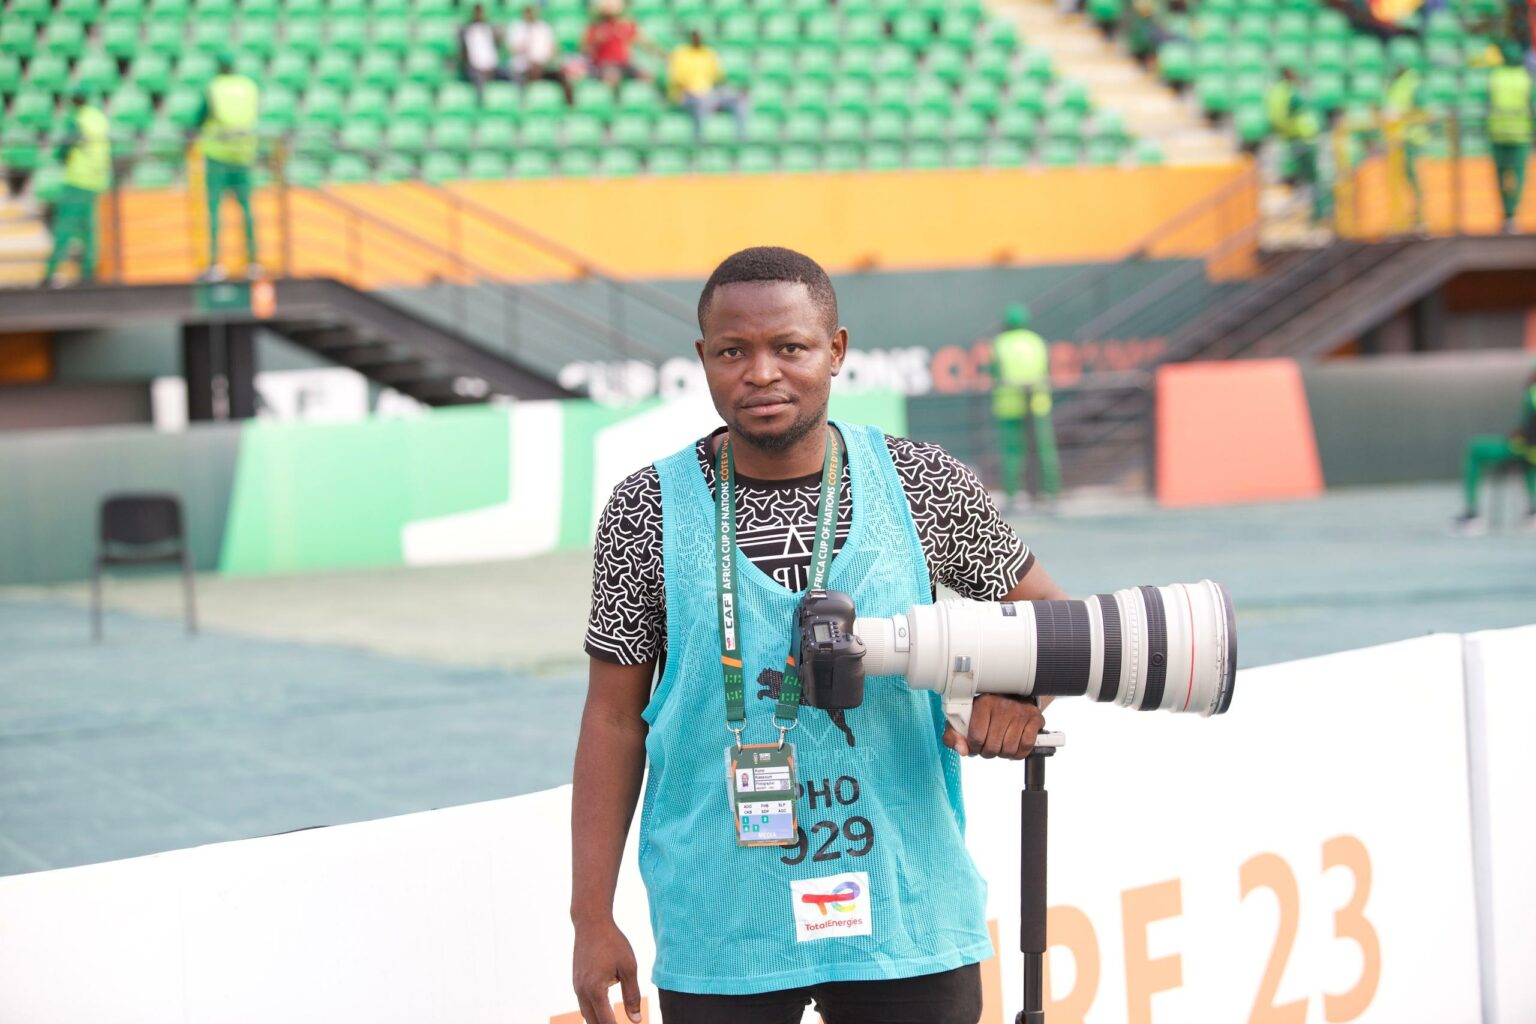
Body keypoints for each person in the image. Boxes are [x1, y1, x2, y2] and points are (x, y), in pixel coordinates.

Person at [571, 247, 1064, 1024]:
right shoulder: (645, 511)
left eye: (790, 347)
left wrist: (1014, 692)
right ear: (703, 360)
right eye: (734, 351)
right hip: (723, 920)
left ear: (835, 350)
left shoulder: (921, 482)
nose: (761, 372)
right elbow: (609, 719)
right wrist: (590, 919)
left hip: (904, 911)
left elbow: (1053, 626)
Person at [192, 56, 261, 282]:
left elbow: (198, 119)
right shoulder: (249, 87)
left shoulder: (214, 88)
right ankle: (253, 263)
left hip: (217, 155)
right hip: (243, 153)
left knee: (214, 211)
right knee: (247, 211)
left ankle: (215, 265)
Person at [1452, 363, 1536, 534]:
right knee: (1529, 459)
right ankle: (1533, 512)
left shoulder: (1533, 393)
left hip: (1524, 449)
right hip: (1530, 452)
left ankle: (1473, 514)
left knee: (1474, 449)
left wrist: (1522, 437)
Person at [991, 303, 1060, 510]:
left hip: (1009, 406)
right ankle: (1052, 495)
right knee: (1045, 451)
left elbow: (995, 372)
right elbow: (1046, 370)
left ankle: (1012, 497)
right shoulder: (1036, 341)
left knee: (1012, 454)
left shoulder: (1000, 343)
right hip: (1038, 404)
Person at [42, 92, 110, 288]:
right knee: (90, 231)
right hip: (96, 181)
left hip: (77, 181)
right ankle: (89, 274)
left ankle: (52, 272)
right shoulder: (99, 119)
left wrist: (59, 156)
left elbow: (64, 149)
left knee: (65, 228)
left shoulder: (78, 120)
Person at [1267, 66, 1328, 223]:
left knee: (1304, 178)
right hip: (1302, 139)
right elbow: (1292, 112)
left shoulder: (1278, 91)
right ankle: (1318, 214)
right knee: (1313, 179)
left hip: (1294, 138)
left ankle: (1311, 213)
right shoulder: (1289, 93)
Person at [667, 29, 748, 142]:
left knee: (739, 101)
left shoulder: (709, 54)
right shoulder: (681, 54)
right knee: (700, 103)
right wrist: (698, 93)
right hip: (688, 96)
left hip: (710, 94)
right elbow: (678, 81)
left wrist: (733, 91)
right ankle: (699, 138)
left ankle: (741, 136)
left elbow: (719, 78)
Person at [1489, 42, 1532, 234]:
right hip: (1520, 136)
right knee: (1518, 177)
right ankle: (1512, 215)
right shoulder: (1527, 79)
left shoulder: (1494, 78)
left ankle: (1506, 214)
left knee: (1501, 176)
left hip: (1498, 134)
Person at [1383, 60, 1427, 231]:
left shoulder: (1414, 84)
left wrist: (1400, 116)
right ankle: (1404, 216)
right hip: (1397, 140)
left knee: (1414, 178)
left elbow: (1425, 112)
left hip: (1411, 139)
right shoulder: (1396, 83)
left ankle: (1421, 215)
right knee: (1400, 179)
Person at [582, 0, 657, 86]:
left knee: (646, 76)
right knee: (612, 76)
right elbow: (585, 49)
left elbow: (644, 42)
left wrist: (661, 55)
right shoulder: (595, 26)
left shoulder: (626, 25)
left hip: (624, 63)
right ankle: (613, 98)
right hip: (603, 64)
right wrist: (597, 40)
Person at [507, 4, 569, 100]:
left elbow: (553, 48)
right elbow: (513, 49)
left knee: (562, 75)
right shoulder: (517, 28)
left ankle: (569, 104)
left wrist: (545, 60)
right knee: (529, 71)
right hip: (524, 66)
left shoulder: (544, 27)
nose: (530, 15)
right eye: (527, 12)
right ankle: (526, 101)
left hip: (543, 64)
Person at [459, 3, 503, 89]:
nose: (479, 15)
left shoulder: (489, 29)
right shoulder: (468, 30)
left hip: (491, 66)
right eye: (477, 13)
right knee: (478, 80)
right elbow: (468, 54)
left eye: (481, 13)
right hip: (474, 67)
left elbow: (492, 50)